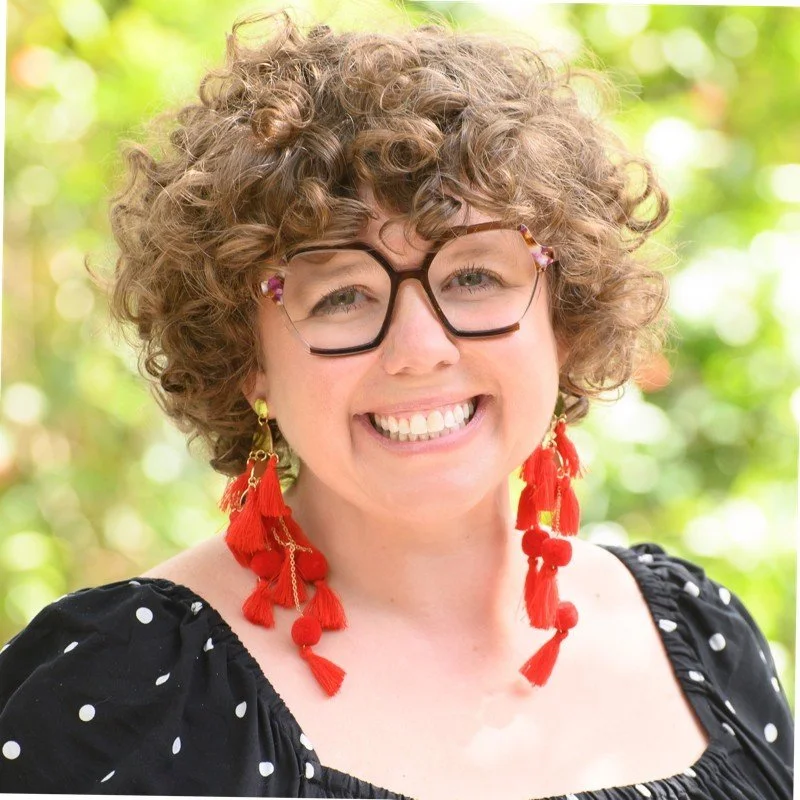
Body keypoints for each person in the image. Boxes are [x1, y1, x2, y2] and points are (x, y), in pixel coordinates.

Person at [0, 11, 793, 799]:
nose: (420, 348)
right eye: (342, 294)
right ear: (248, 361)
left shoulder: (702, 637)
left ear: (564, 315)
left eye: (475, 277)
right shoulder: (124, 693)